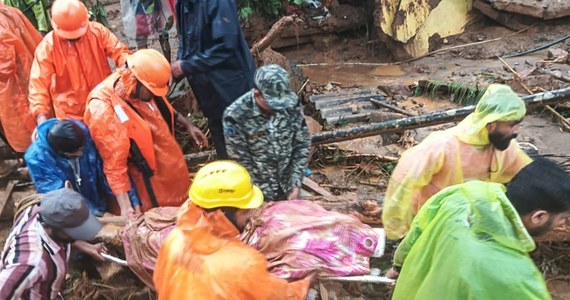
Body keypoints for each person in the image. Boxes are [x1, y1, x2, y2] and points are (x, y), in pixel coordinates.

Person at [388, 158, 570, 300]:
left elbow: (418, 228)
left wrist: (398, 266)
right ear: (538, 217)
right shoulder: (516, 277)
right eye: (563, 218)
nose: (562, 224)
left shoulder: (463, 194)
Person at [383, 84, 532, 240]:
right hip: (430, 224)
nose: (517, 131)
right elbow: (404, 182)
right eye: (511, 125)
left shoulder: (504, 149)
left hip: (470, 224)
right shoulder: (442, 146)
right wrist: (399, 231)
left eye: (518, 124)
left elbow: (527, 173)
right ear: (491, 123)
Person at [153, 160, 311, 299]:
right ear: (222, 212)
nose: (250, 215)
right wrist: (304, 285)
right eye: (245, 210)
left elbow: (160, 281)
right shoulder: (244, 263)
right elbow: (278, 297)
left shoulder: (173, 239)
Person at [84, 49, 208, 216]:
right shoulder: (103, 108)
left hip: (173, 169)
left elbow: (163, 108)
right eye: (152, 91)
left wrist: (188, 125)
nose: (154, 95)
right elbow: (114, 166)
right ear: (136, 81)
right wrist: (127, 207)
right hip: (148, 184)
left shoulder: (144, 86)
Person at [171, 0, 256, 158]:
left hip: (233, 91)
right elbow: (185, 42)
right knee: (225, 154)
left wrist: (185, 66)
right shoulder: (182, 4)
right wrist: (177, 64)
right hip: (209, 96)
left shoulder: (218, 3)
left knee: (246, 153)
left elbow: (226, 46)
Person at [28, 0, 131, 126]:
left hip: (104, 103)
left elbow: (120, 52)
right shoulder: (48, 47)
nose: (75, 40)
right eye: (70, 38)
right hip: (71, 116)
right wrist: (41, 116)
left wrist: (127, 68)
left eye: (78, 36)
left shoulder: (98, 32)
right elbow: (38, 84)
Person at [223, 65, 311, 201]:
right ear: (257, 94)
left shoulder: (290, 104)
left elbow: (302, 144)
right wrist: (257, 198)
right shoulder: (236, 116)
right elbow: (241, 163)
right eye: (274, 104)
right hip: (256, 193)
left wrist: (295, 183)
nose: (279, 108)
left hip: (288, 188)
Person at [0, 188, 104, 299]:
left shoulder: (38, 210)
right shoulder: (31, 262)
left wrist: (86, 247)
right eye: (74, 231)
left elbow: (63, 238)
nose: (79, 235)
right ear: (52, 228)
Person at [25, 119, 141, 216]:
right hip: (70, 213)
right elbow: (62, 197)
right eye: (77, 152)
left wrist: (132, 202)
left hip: (96, 197)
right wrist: (99, 214)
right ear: (64, 153)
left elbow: (109, 168)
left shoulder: (82, 133)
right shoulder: (37, 159)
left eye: (82, 149)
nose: (82, 153)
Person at [0, 3, 42, 154]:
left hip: (15, 92)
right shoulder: (10, 11)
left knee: (29, 133)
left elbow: (5, 69)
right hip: (32, 80)